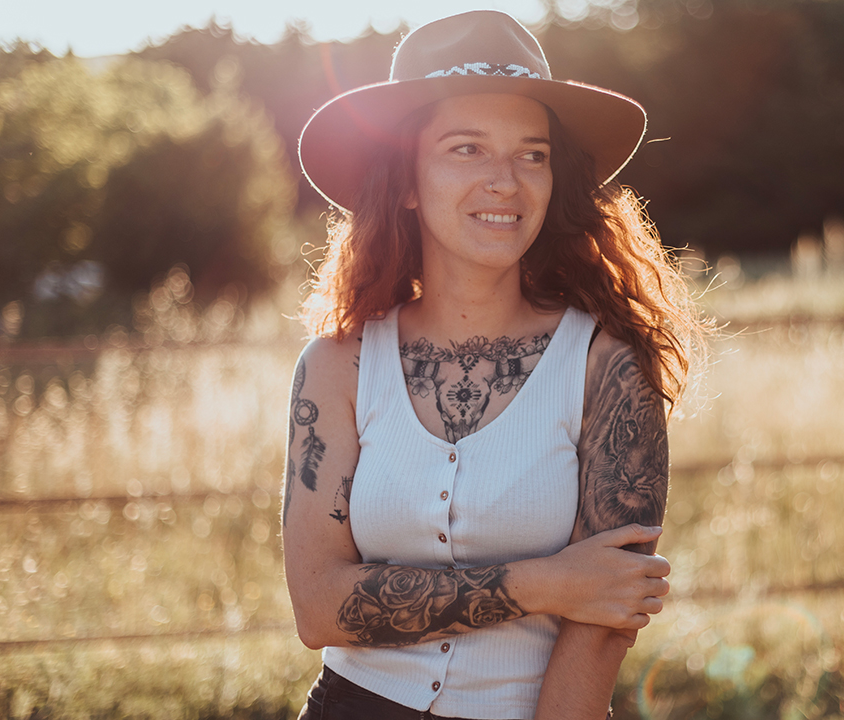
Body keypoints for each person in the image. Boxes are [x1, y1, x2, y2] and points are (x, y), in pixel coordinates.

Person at [283, 10, 707, 720]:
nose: (505, 181)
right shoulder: (336, 366)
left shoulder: (609, 364)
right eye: (467, 149)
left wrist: (576, 594)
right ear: (408, 180)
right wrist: (546, 583)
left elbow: (606, 612)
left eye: (531, 154)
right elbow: (319, 608)